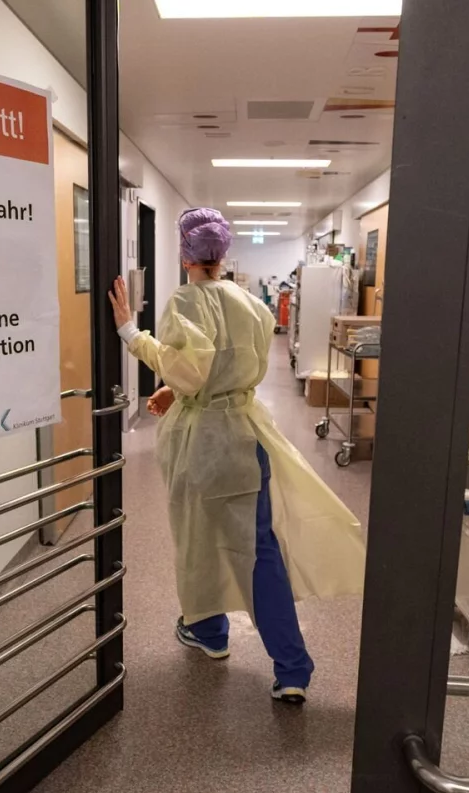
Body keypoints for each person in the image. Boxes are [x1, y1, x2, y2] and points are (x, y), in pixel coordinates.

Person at [108, 207, 365, 705]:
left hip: (204, 444)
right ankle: (290, 667)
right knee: (259, 550)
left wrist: (130, 333)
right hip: (247, 437)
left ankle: (210, 633)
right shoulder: (250, 304)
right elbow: (221, 366)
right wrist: (178, 389)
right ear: (223, 254)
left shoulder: (184, 301)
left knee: (198, 539)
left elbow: (191, 369)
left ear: (184, 254)